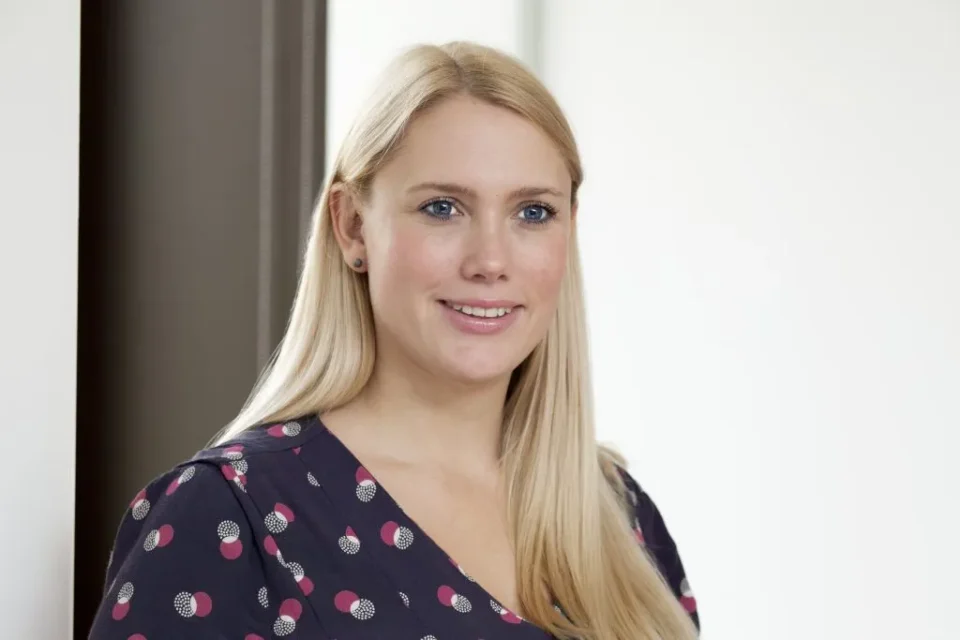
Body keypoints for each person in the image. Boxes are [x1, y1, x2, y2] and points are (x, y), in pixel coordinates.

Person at [88, 41, 700, 640]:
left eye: (533, 212)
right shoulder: (226, 516)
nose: (490, 261)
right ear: (352, 227)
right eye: (443, 208)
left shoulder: (618, 516)